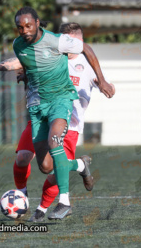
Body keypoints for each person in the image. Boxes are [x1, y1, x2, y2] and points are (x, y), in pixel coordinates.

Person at [0, 7, 114, 220]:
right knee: (46, 167)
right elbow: (24, 61)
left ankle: (63, 203)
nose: (25, 30)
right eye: (20, 27)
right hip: (38, 108)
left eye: (28, 25)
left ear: (38, 23)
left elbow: (86, 49)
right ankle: (80, 165)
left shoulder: (58, 43)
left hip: (61, 102)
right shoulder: (20, 45)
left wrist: (102, 81)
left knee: (54, 142)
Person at [13, 22, 115, 222]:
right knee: (23, 157)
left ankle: (42, 209)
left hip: (70, 126)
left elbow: (107, 85)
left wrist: (106, 85)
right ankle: (22, 196)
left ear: (79, 42)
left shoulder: (88, 65)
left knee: (50, 171)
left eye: (71, 42)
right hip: (42, 115)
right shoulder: (51, 56)